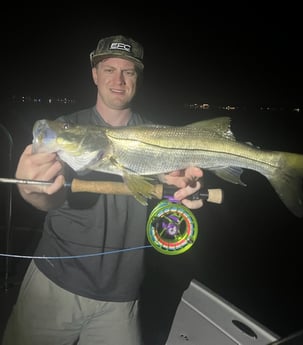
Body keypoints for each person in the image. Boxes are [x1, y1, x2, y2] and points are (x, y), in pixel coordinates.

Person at [1, 35, 204, 345]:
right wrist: (33, 190)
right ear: (94, 74)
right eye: (109, 69)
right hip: (55, 286)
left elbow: (171, 185)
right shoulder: (68, 128)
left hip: (122, 298)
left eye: (129, 71)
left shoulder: (157, 136)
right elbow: (48, 195)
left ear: (137, 79)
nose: (118, 80)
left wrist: (183, 189)